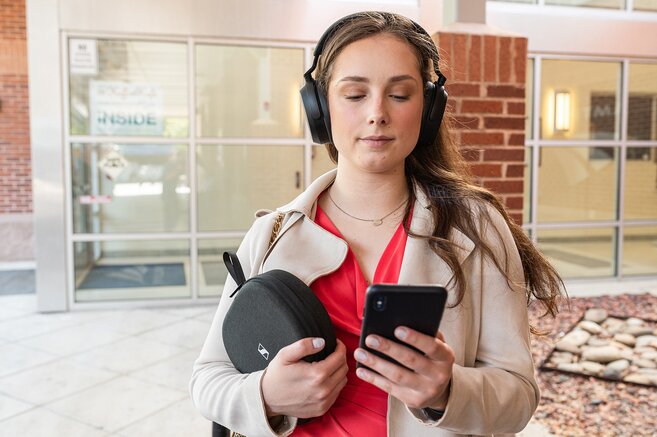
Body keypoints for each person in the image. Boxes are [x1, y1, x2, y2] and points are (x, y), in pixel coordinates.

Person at [190, 11, 564, 437]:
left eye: (400, 95)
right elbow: (207, 379)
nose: (377, 114)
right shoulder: (271, 235)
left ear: (428, 109)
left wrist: (447, 391)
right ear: (320, 108)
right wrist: (267, 395)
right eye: (354, 94)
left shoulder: (477, 229)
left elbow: (517, 399)